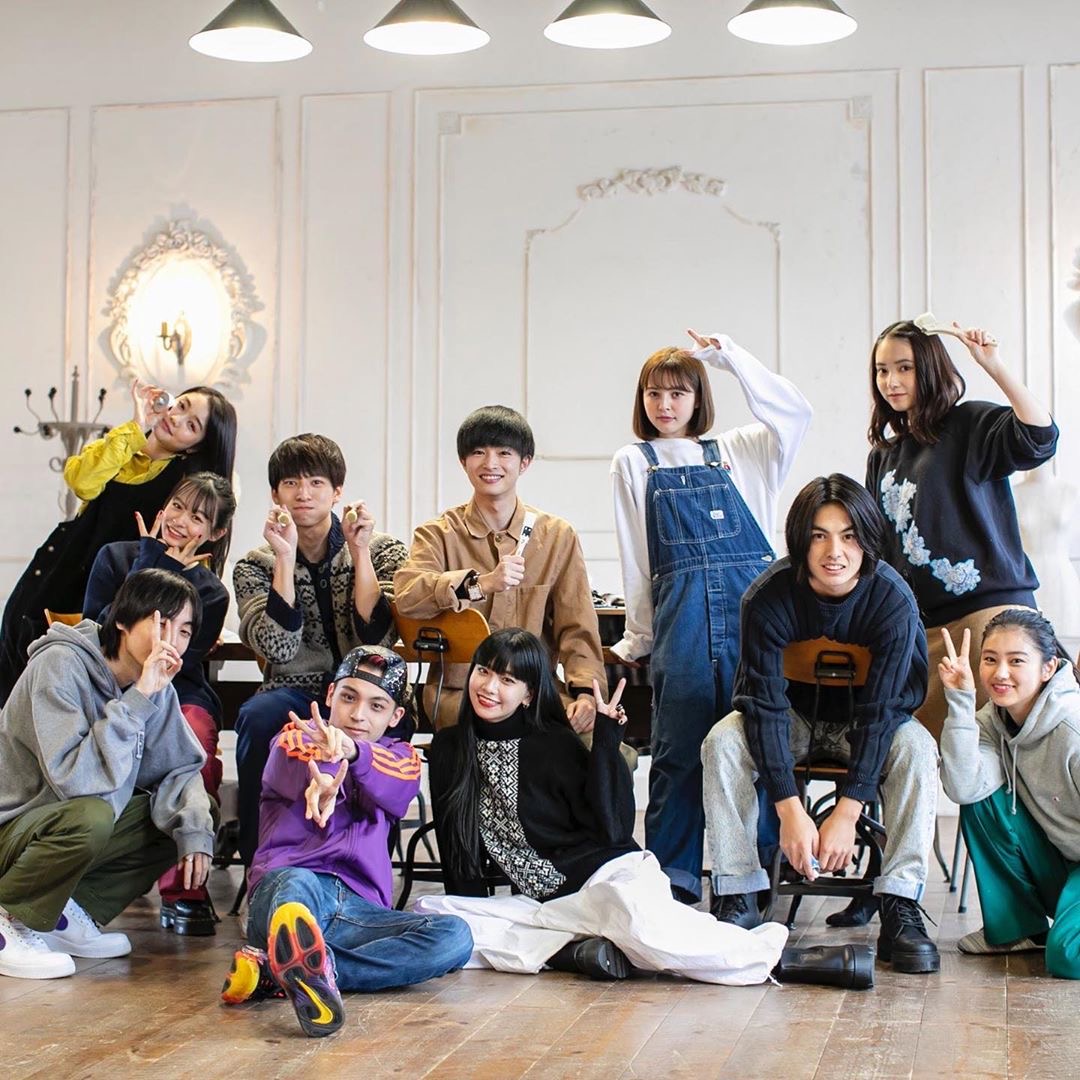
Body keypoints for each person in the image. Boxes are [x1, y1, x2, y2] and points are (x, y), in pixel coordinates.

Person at [418, 629, 872, 990]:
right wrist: (466, 914)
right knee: (437, 915)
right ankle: (577, 950)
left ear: (529, 695)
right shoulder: (451, 749)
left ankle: (791, 960)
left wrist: (606, 743)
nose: (489, 687)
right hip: (549, 906)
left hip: (607, 878)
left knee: (641, 926)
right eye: (483, 672)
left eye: (507, 680)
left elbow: (613, 830)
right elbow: (456, 845)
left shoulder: (552, 743)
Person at [702, 475, 941, 975]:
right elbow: (763, 707)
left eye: (849, 536)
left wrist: (848, 812)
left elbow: (883, 712)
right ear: (800, 541)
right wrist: (791, 809)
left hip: (865, 721)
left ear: (867, 540)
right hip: (794, 717)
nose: (835, 552)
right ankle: (738, 892)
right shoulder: (767, 598)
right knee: (722, 741)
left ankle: (900, 902)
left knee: (918, 748)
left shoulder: (892, 601)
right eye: (819, 536)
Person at [610, 329, 812, 904]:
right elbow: (638, 561)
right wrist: (641, 636)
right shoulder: (633, 462)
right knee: (678, 753)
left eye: (679, 392)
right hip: (682, 627)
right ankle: (671, 880)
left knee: (761, 746)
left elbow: (795, 412)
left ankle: (759, 874)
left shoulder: (743, 451)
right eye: (654, 393)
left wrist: (730, 357)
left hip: (757, 623)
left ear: (699, 398)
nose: (665, 404)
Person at [221, 645, 473, 1037]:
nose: (358, 715)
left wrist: (353, 753)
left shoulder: (402, 756)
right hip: (289, 892)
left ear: (395, 717)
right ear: (330, 695)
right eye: (349, 697)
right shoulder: (293, 737)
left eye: (376, 706)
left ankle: (292, 969)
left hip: (359, 912)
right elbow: (301, 767)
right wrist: (323, 777)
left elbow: (398, 787)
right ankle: (300, 961)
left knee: (455, 936)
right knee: (297, 882)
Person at [0, 569, 214, 981]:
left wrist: (195, 832)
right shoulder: (59, 665)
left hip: (60, 829)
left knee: (186, 816)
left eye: (184, 631)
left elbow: (180, 769)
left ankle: (60, 913)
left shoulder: (157, 688)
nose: (171, 640)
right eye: (161, 623)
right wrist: (138, 699)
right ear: (122, 621)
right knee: (91, 815)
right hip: (13, 829)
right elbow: (74, 781)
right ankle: (10, 915)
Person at [865, 320, 1057, 742]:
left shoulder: (968, 424)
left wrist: (993, 365)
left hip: (991, 619)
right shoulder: (883, 456)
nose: (891, 381)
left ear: (929, 368)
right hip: (925, 632)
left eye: (904, 368)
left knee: (1004, 752)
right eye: (882, 370)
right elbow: (877, 546)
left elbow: (1040, 436)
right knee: (922, 752)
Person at [0, 378, 237, 704]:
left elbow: (190, 555)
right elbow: (80, 481)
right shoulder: (124, 444)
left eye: (191, 425)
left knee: (63, 694)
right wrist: (137, 425)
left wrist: (193, 617)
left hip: (108, 597)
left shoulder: (184, 486)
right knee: (17, 681)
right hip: (57, 572)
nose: (176, 418)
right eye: (180, 406)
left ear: (196, 446)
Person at [233, 434, 407, 866]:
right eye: (291, 483)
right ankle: (260, 860)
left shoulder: (383, 549)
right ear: (275, 493)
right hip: (293, 690)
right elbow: (278, 647)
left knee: (394, 727)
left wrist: (360, 552)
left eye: (315, 482)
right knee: (257, 718)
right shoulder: (254, 565)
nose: (303, 494)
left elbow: (380, 637)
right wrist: (284, 559)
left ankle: (370, 865)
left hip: (363, 690)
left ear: (337, 490)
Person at [84, 471, 236, 935]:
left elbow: (175, 659)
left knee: (195, 740)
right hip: (108, 684)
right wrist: (149, 563)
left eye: (198, 518)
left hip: (177, 689)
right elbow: (101, 633)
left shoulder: (210, 591)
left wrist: (166, 569)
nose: (180, 521)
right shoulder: (116, 558)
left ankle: (184, 889)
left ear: (215, 534)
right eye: (177, 507)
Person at [394, 406, 607, 736]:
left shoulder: (557, 536)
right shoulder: (437, 534)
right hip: (459, 694)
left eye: (504, 453)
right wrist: (479, 584)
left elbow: (577, 627)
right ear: (463, 461)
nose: (490, 463)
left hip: (534, 693)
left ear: (525, 462)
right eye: (478, 452)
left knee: (608, 752)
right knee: (519, 738)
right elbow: (407, 595)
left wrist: (586, 695)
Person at [938, 610, 1080, 977]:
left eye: (1016, 661)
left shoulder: (1073, 730)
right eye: (990, 660)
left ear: (1048, 668)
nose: (1000, 673)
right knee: (981, 799)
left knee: (1068, 957)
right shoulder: (993, 720)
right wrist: (960, 700)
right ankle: (1020, 930)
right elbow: (963, 787)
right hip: (1061, 859)